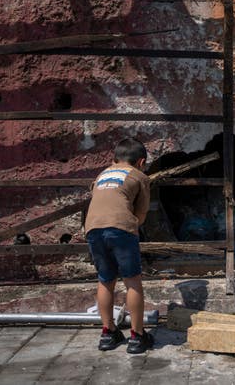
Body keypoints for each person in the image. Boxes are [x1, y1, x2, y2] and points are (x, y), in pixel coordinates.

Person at [84, 137, 154, 354]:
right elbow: (141, 215)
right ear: (141, 162)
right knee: (132, 280)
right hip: (121, 228)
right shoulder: (139, 176)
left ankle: (108, 333)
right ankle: (137, 336)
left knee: (106, 280)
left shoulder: (101, 175)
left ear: (113, 160)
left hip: (93, 229)